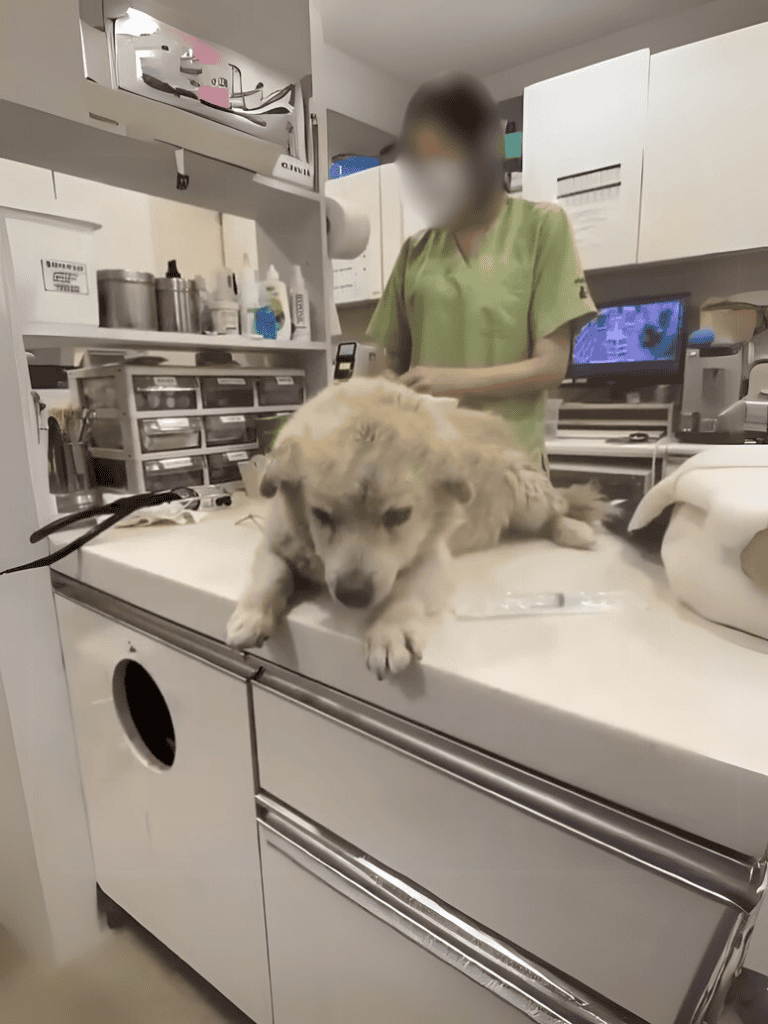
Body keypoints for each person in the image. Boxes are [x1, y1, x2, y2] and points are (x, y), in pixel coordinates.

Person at [365, 72, 599, 469]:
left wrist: (450, 381)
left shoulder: (541, 227)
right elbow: (389, 364)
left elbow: (551, 366)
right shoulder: (416, 252)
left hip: (509, 466)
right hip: (429, 467)